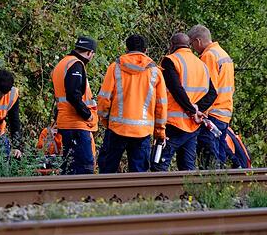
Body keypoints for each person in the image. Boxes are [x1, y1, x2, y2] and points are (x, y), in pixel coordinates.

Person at [96, 34, 167, 173]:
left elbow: (104, 98)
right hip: (142, 131)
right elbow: (161, 105)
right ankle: (138, 196)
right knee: (139, 175)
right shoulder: (155, 72)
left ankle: (104, 195)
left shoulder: (115, 67)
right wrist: (160, 132)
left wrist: (105, 121)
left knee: (107, 172)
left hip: (117, 128)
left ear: (126, 49)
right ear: (146, 50)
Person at [151, 33, 218, 172]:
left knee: (158, 165)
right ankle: (187, 194)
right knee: (187, 170)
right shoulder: (201, 65)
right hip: (193, 126)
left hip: (173, 124)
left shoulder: (170, 61)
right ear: (188, 45)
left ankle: (157, 193)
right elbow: (212, 93)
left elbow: (176, 90)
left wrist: (192, 110)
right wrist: (197, 109)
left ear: (172, 45)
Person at [188, 24, 250, 168]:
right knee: (220, 155)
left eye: (192, 44)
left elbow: (209, 89)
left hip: (213, 113)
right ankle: (220, 186)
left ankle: (212, 184)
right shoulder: (223, 54)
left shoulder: (209, 56)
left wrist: (200, 111)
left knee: (209, 156)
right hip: (224, 113)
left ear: (197, 41)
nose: (192, 48)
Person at [51, 36, 99, 174]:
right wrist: (88, 115)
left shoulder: (62, 63)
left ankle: (69, 195)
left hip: (66, 123)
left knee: (70, 168)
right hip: (76, 124)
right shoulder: (75, 64)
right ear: (90, 53)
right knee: (84, 167)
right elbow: (73, 95)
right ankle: (82, 196)